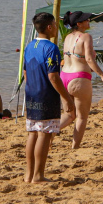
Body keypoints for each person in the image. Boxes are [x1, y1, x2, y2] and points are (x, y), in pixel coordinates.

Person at [23, 12, 74, 183]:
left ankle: (28, 174)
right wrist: (66, 97)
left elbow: (25, 73)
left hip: (31, 93)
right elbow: (53, 76)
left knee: (32, 133)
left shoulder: (29, 46)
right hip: (45, 95)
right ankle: (38, 175)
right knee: (44, 134)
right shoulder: (51, 48)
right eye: (54, 24)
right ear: (50, 27)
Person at [59, 11, 103, 149]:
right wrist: (102, 76)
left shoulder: (67, 37)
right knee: (82, 116)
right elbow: (88, 59)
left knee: (69, 115)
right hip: (79, 77)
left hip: (64, 77)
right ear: (79, 23)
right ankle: (75, 147)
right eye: (86, 20)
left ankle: (51, 133)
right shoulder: (86, 37)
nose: (89, 21)